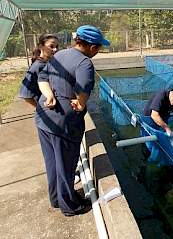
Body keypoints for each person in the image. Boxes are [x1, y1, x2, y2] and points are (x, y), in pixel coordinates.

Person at [35, 25, 110, 216]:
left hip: (44, 118)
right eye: (99, 48)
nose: (98, 51)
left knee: (52, 162)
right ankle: (70, 206)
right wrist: (81, 103)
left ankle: (56, 198)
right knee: (66, 165)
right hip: (64, 124)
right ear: (93, 47)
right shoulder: (85, 62)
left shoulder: (59, 55)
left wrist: (49, 94)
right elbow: (83, 88)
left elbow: (42, 76)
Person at [19, 34, 58, 107]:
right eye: (51, 46)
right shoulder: (37, 67)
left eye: (56, 46)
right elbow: (26, 95)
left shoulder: (51, 64)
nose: (55, 49)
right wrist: (40, 109)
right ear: (41, 46)